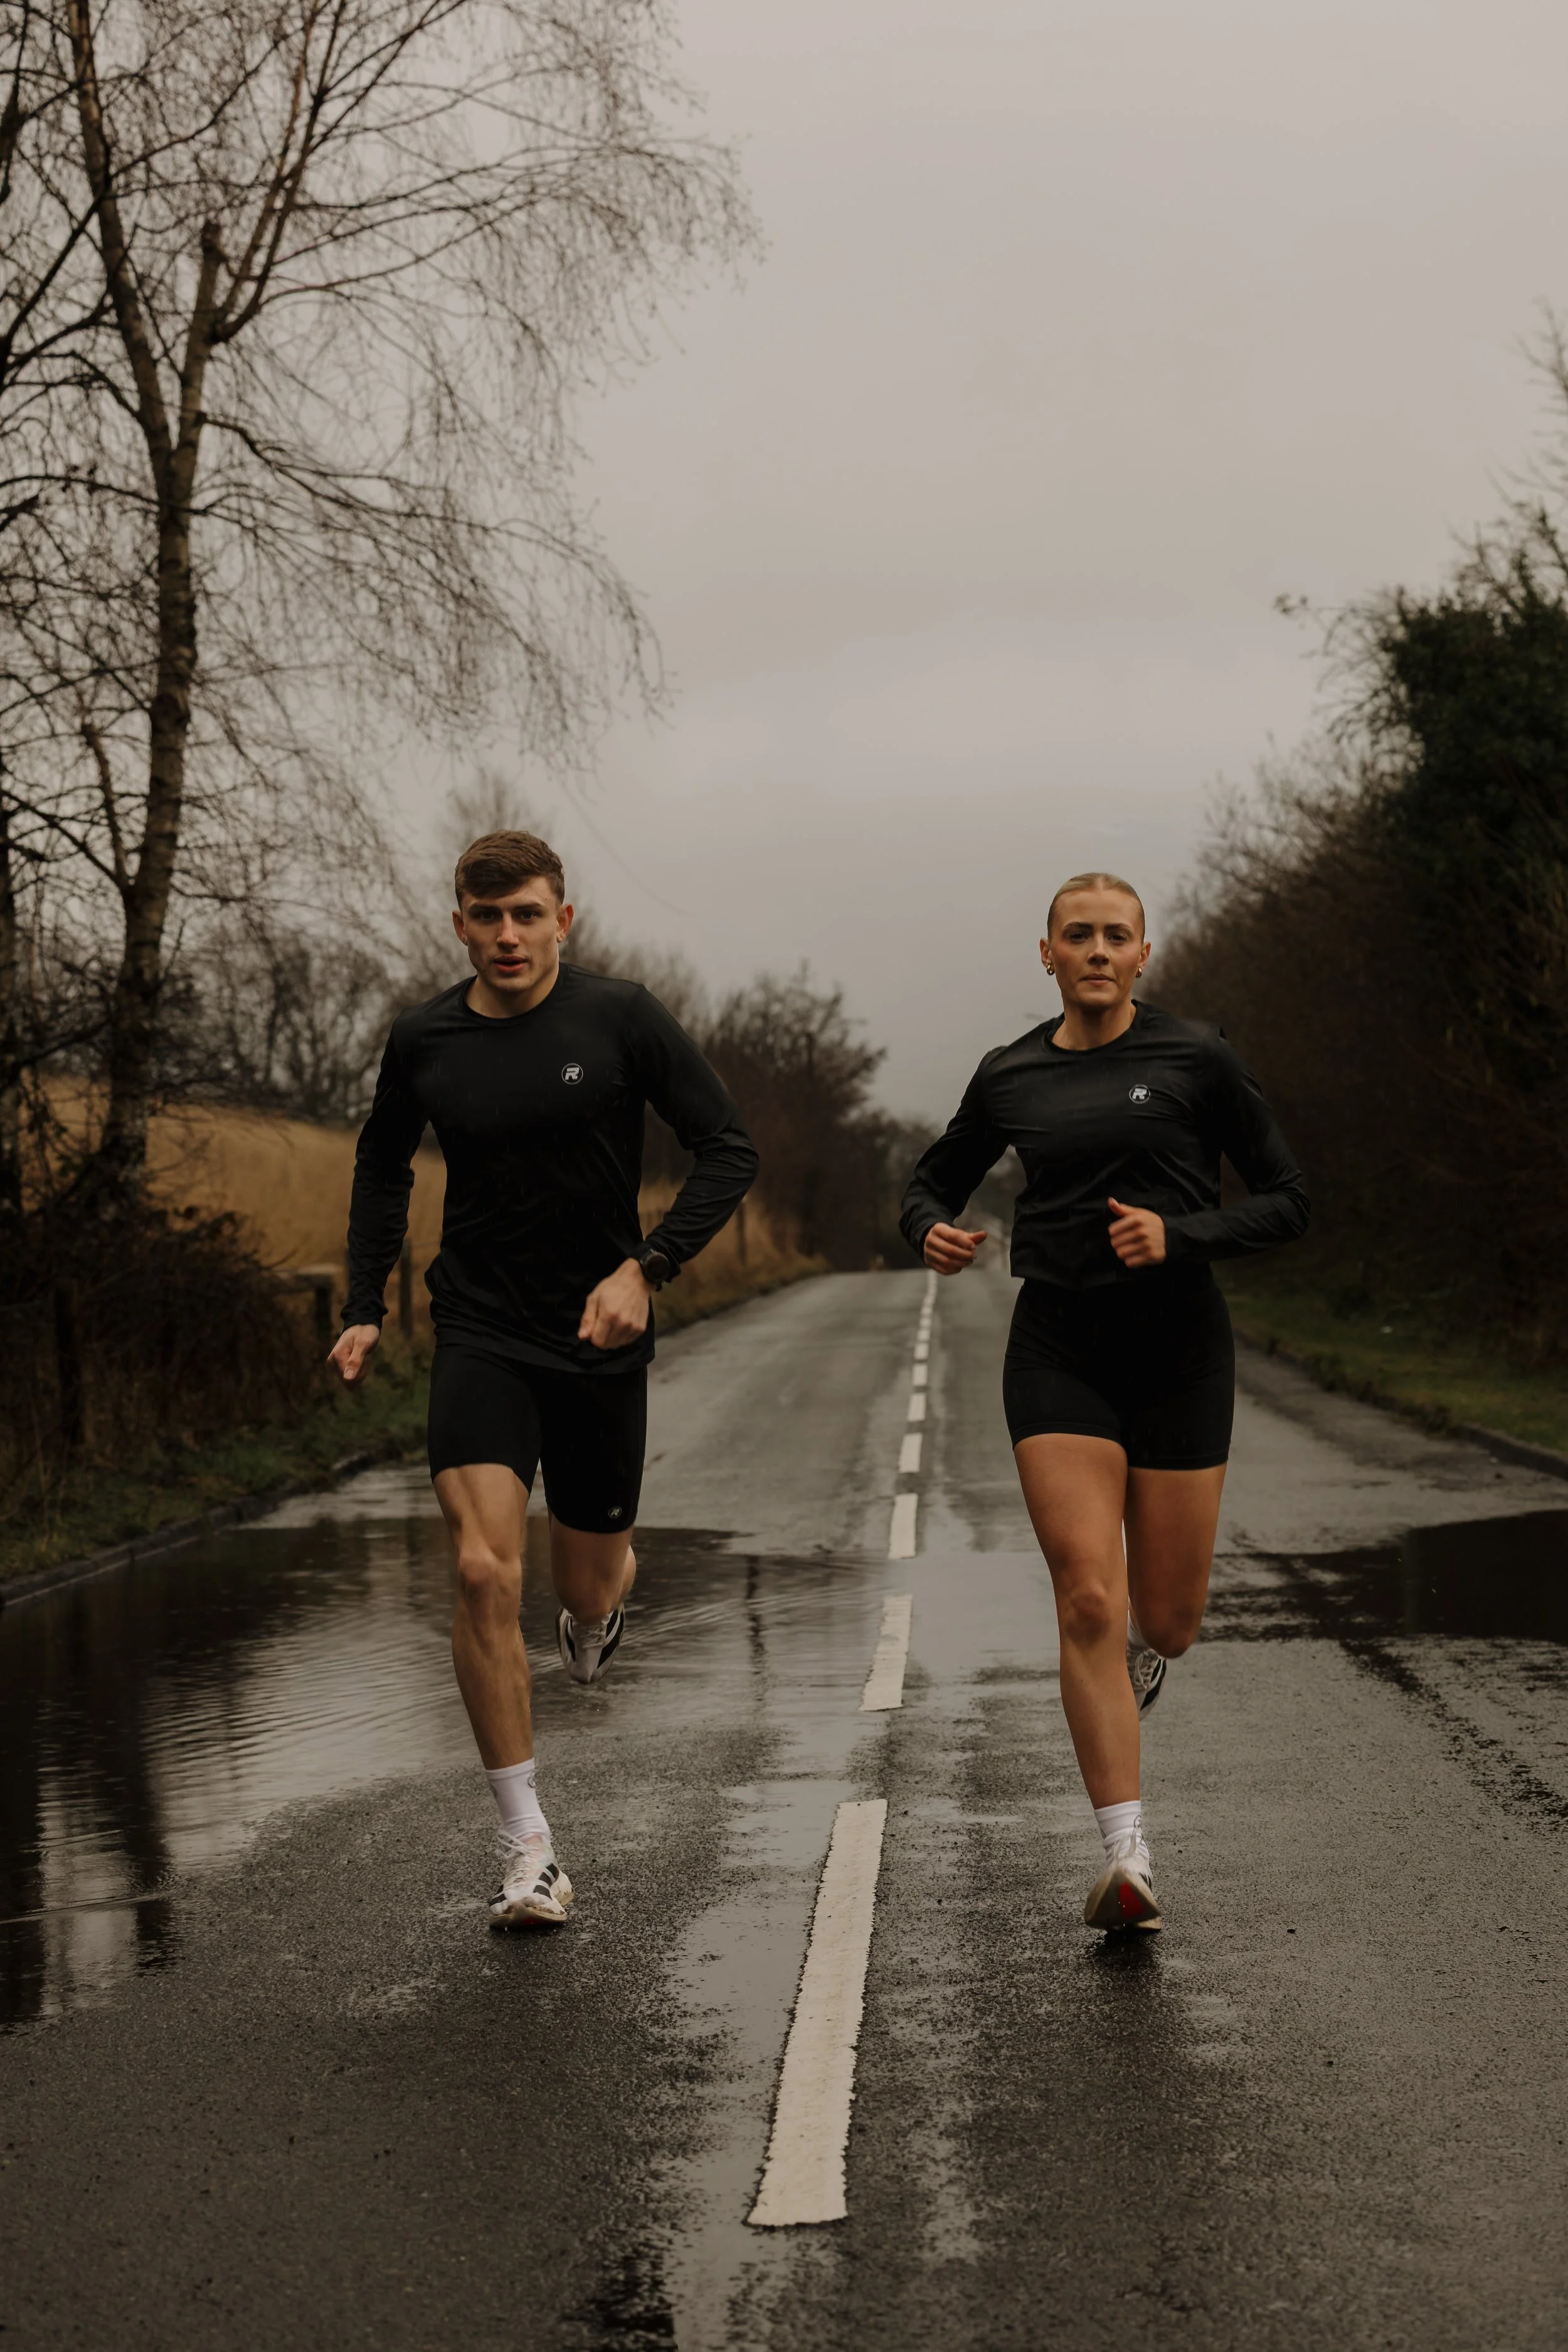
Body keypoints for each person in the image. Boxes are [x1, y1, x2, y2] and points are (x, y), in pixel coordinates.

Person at [329, 830, 758, 1928]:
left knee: (581, 1585)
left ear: (564, 918)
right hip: (481, 1324)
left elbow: (728, 1147)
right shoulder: (423, 1036)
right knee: (480, 1570)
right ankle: (529, 1850)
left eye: (528, 914)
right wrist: (364, 1307)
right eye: (488, 916)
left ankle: (606, 1586)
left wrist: (647, 1268)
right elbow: (383, 1163)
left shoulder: (620, 1016)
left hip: (600, 1332)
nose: (508, 935)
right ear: (458, 922)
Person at [899, 873, 1307, 1932]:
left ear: (1142, 954)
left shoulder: (1197, 1059)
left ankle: (1139, 1662)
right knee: (1089, 1596)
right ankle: (1126, 1855)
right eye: (1076, 934)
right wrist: (927, 1229)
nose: (1095, 949)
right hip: (1060, 1347)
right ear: (1046, 953)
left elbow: (1288, 1199)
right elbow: (930, 1180)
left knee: (1164, 1621)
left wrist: (1184, 1235)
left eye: (1113, 935)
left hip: (1179, 1351)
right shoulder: (1012, 1072)